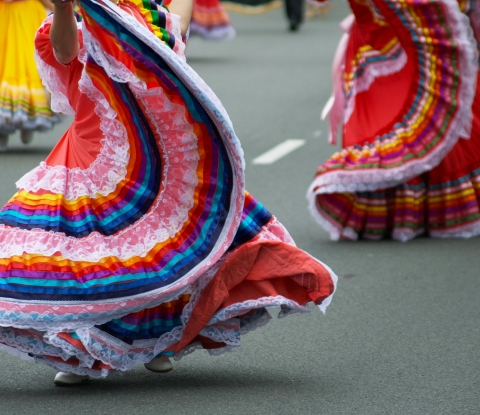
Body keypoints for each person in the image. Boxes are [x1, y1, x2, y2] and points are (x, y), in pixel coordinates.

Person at [0, 0, 337, 385]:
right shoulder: (80, 17)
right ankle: (80, 349)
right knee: (93, 257)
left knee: (160, 251)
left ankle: (154, 342)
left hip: (154, 157)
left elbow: (171, 45)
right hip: (91, 154)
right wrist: (62, 7)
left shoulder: (159, 15)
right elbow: (65, 52)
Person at [307, 0, 480, 241]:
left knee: (410, 120)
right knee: (387, 122)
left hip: (400, 43)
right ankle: (410, 208)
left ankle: (401, 209)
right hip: (381, 43)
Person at [0, 0, 59, 151]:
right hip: (4, 16)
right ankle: (2, 131)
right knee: (5, 63)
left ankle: (28, 121)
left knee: (31, 63)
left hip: (29, 15)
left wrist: (60, 9)